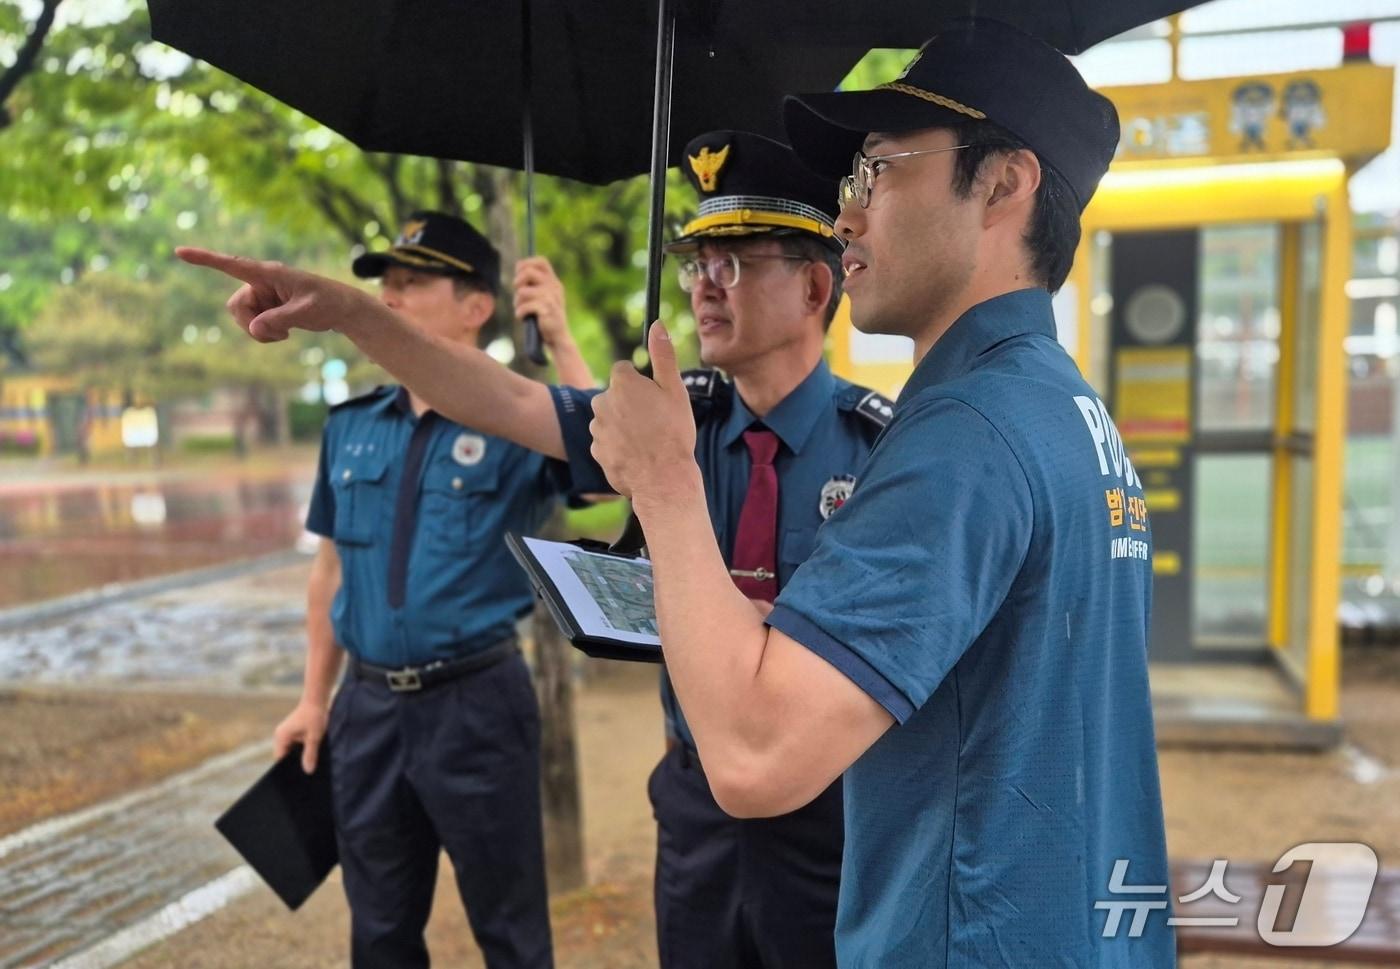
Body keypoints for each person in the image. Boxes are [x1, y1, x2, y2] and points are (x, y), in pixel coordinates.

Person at [177, 131, 893, 969]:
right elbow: (504, 399)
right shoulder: (670, 420)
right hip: (695, 798)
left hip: (836, 808)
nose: (704, 286)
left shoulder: (885, 448)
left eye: (732, 264)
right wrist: (352, 314)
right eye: (696, 264)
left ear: (814, 286)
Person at [584, 18, 1176, 969]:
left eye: (878, 171)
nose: (846, 217)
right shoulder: (1062, 408)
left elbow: (754, 757)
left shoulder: (964, 435)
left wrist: (664, 480)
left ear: (1004, 184)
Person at [271, 211, 595, 969]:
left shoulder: (523, 418)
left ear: (476, 305)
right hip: (368, 708)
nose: (389, 297)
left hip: (476, 706)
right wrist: (314, 699)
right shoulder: (351, 426)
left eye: (413, 282)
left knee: (510, 933)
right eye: (387, 281)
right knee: (380, 932)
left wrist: (561, 339)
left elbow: (608, 464)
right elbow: (329, 573)